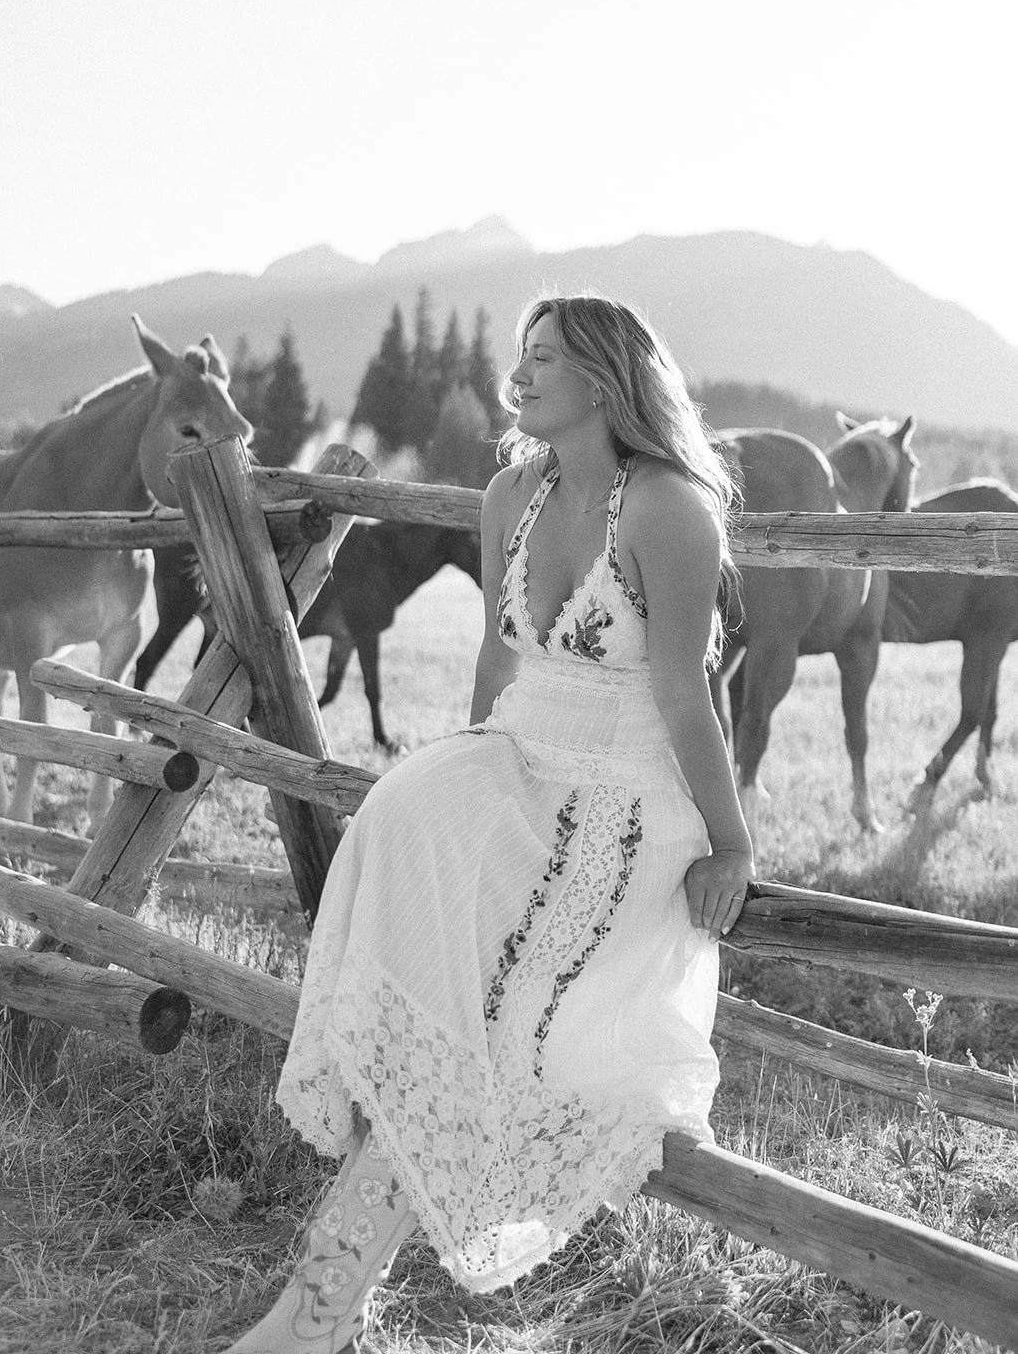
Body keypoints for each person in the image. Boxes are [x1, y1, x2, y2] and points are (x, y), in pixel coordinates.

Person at [226, 294, 755, 1353]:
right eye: (520, 352)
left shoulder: (667, 508)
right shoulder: (511, 489)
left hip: (623, 797)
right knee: (401, 818)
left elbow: (684, 696)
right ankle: (326, 1291)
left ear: (604, 378)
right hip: (520, 755)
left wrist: (730, 841)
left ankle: (315, 1309)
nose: (518, 372)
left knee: (499, 1029)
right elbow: (496, 657)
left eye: (544, 357)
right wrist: (471, 768)